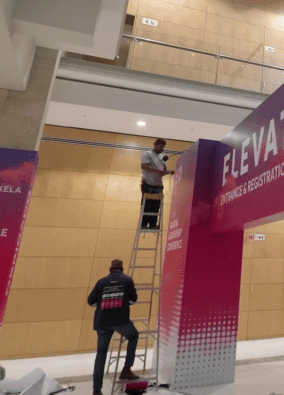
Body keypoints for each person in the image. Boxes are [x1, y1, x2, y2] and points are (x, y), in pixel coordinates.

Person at [88, 259, 140, 395]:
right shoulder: (127, 280)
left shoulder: (101, 281)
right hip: (121, 321)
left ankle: (97, 390)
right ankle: (126, 369)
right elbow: (133, 300)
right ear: (121, 269)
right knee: (134, 335)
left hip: (102, 322)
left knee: (101, 354)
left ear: (110, 269)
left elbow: (91, 302)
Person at [140, 138, 174, 229]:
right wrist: (158, 171)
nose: (161, 148)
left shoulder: (163, 157)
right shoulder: (147, 154)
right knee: (147, 204)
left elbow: (164, 170)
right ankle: (143, 224)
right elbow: (143, 166)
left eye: (163, 147)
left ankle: (152, 225)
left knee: (156, 205)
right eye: (160, 146)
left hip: (158, 184)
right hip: (147, 183)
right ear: (155, 144)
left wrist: (170, 172)